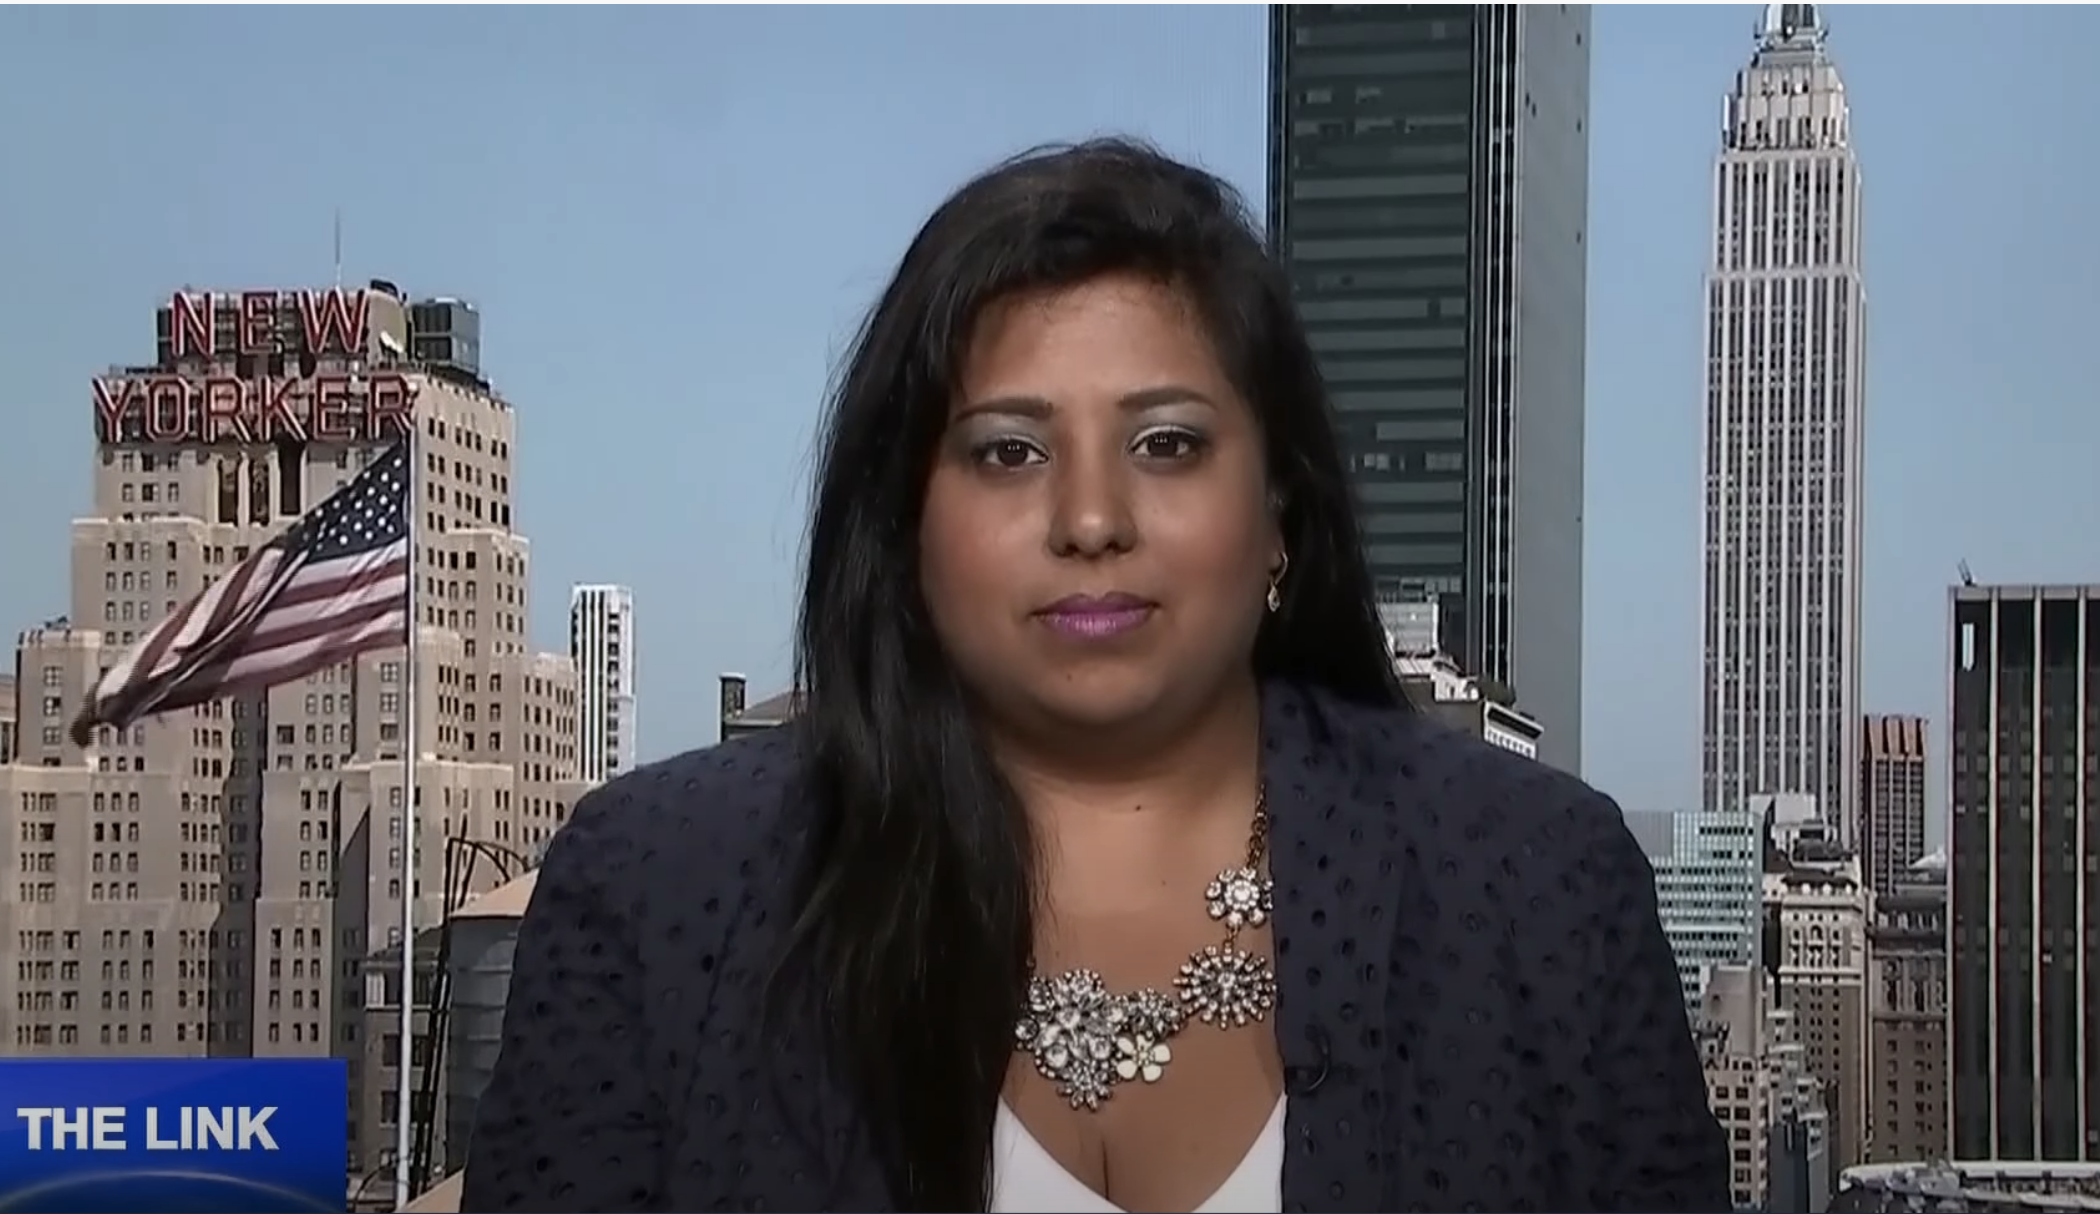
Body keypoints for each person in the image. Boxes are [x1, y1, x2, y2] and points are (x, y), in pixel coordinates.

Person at [458, 138, 1728, 1214]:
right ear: (904, 524)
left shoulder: (1538, 885)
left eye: (1166, 443)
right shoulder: (661, 888)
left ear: (1278, 516)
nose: (1090, 519)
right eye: (1007, 453)